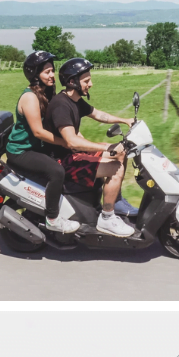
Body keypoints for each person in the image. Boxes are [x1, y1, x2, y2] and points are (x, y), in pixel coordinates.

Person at [43, 58, 135, 238]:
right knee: (115, 168)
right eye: (86, 81)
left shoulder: (75, 100)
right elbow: (71, 142)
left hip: (71, 153)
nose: (90, 84)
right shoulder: (61, 105)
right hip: (64, 160)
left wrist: (124, 120)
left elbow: (97, 114)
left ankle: (116, 201)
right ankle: (107, 218)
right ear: (72, 82)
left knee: (121, 153)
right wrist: (107, 150)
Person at [6, 51, 79, 234]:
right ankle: (53, 218)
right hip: (21, 151)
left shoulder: (47, 93)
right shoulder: (30, 97)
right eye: (47, 72)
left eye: (52, 70)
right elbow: (38, 132)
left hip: (36, 148)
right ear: (35, 74)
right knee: (56, 171)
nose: (52, 75)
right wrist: (65, 142)